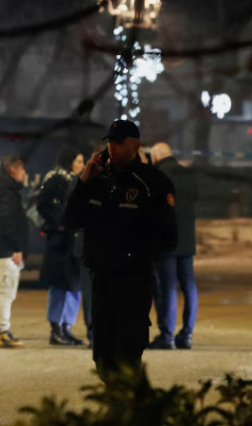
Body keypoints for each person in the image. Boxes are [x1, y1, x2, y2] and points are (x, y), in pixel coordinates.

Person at [65, 120, 177, 381]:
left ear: (134, 145)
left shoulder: (152, 182)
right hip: (101, 280)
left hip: (132, 282)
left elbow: (168, 237)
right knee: (102, 357)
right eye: (109, 142)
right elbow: (71, 219)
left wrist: (133, 252)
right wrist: (84, 180)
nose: (111, 148)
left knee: (127, 356)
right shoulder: (98, 180)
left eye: (118, 143)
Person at [148, 143, 198, 350]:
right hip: (187, 239)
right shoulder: (188, 175)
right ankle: (186, 334)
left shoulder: (157, 176)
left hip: (165, 240)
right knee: (188, 285)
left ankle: (167, 335)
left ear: (157, 157)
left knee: (167, 286)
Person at [38, 147, 86, 346]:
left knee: (74, 286)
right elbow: (43, 204)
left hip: (73, 240)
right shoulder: (57, 178)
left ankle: (67, 327)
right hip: (60, 241)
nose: (82, 166)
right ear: (69, 162)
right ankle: (56, 328)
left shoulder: (77, 181)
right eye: (78, 162)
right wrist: (59, 223)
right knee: (59, 285)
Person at [0, 156, 28, 348]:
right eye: (22, 170)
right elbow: (8, 221)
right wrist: (17, 248)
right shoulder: (7, 193)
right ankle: (1, 332)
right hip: (7, 250)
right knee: (5, 291)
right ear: (13, 170)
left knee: (1, 291)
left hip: (3, 248)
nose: (24, 174)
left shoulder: (3, 190)